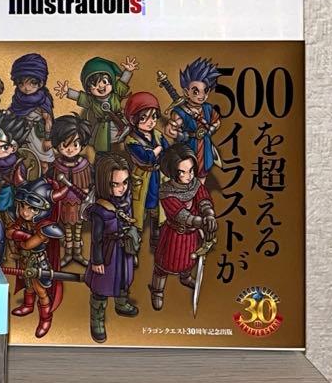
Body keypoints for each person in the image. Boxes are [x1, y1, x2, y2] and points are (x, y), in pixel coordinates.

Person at [150, 143, 216, 310]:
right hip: (173, 236)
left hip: (191, 237)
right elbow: (180, 214)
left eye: (191, 170)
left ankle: (185, 277)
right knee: (164, 265)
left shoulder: (195, 184)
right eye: (183, 172)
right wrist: (200, 222)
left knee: (188, 259)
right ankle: (157, 290)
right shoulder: (166, 192)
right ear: (173, 172)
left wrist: (208, 213)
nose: (189, 175)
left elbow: (203, 198)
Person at [85, 154, 141, 342]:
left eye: (124, 182)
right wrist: (97, 260)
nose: (121, 188)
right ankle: (97, 321)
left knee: (124, 279)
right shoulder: (100, 210)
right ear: (104, 183)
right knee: (101, 288)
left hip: (123, 251)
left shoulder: (126, 199)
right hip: (107, 254)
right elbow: (96, 239)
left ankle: (121, 303)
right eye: (115, 184)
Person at [5, 180, 64, 339]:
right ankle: (28, 305)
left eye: (32, 208)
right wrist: (15, 233)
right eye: (23, 206)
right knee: (28, 284)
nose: (25, 212)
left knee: (40, 290)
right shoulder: (23, 220)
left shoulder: (46, 227)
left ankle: (46, 319)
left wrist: (19, 236)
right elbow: (9, 233)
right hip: (25, 260)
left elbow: (28, 244)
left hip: (39, 262)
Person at [123, 91, 166, 254]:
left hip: (157, 177)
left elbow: (168, 152)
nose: (150, 122)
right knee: (138, 217)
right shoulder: (131, 140)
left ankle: (157, 245)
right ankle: (133, 250)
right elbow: (146, 158)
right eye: (144, 118)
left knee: (157, 214)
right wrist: (158, 150)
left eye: (153, 117)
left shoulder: (158, 135)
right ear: (134, 119)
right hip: (141, 178)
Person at [49, 114, 93, 267]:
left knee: (78, 228)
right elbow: (50, 183)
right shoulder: (56, 165)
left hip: (80, 204)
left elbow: (92, 182)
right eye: (65, 144)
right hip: (64, 205)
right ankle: (68, 254)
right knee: (67, 228)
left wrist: (88, 189)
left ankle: (78, 253)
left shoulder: (85, 164)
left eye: (75, 144)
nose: (70, 149)